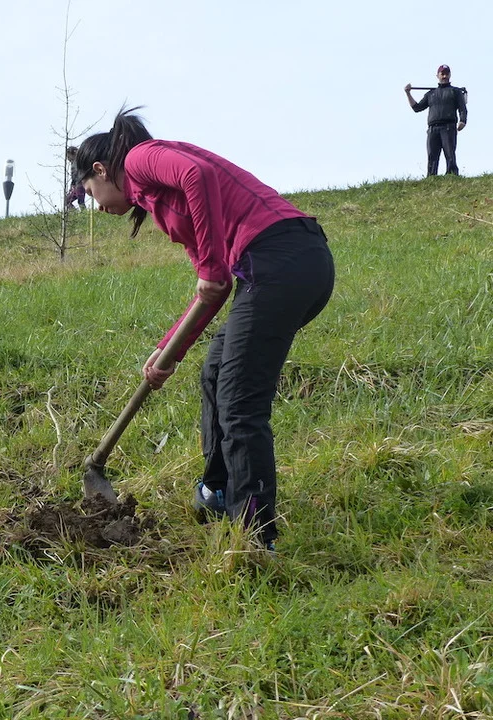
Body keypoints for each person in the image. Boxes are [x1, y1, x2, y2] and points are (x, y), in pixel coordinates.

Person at [73, 108, 335, 551]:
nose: (96, 204)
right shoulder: (160, 203)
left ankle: (255, 537)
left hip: (281, 256)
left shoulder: (140, 158)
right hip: (283, 265)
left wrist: (213, 265)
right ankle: (217, 491)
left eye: (89, 191)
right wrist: (167, 352)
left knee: (239, 400)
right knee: (215, 372)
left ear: (100, 170)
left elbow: (198, 175)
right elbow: (213, 290)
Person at [405, 65, 468, 176]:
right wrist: (408, 93)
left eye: (447, 74)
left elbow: (462, 108)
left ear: (450, 75)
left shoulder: (456, 91)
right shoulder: (431, 94)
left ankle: (452, 175)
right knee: (432, 155)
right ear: (437, 75)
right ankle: (431, 177)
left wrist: (462, 120)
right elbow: (417, 108)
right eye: (442, 74)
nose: (444, 76)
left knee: (450, 153)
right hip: (432, 129)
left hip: (448, 127)